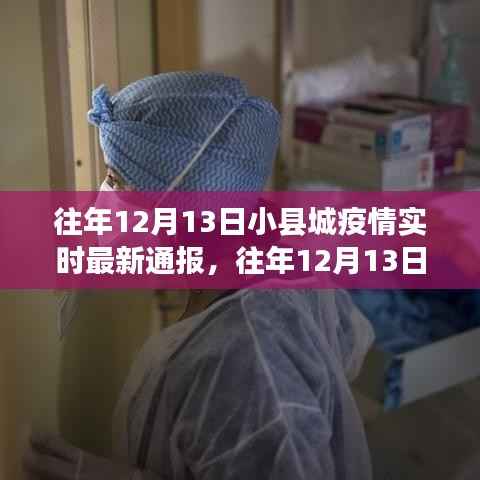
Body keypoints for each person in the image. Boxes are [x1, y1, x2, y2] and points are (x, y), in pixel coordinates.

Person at [24, 72, 374, 479]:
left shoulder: (243, 357)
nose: (101, 202)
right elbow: (347, 344)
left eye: (116, 179)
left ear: (185, 205)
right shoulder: (277, 261)